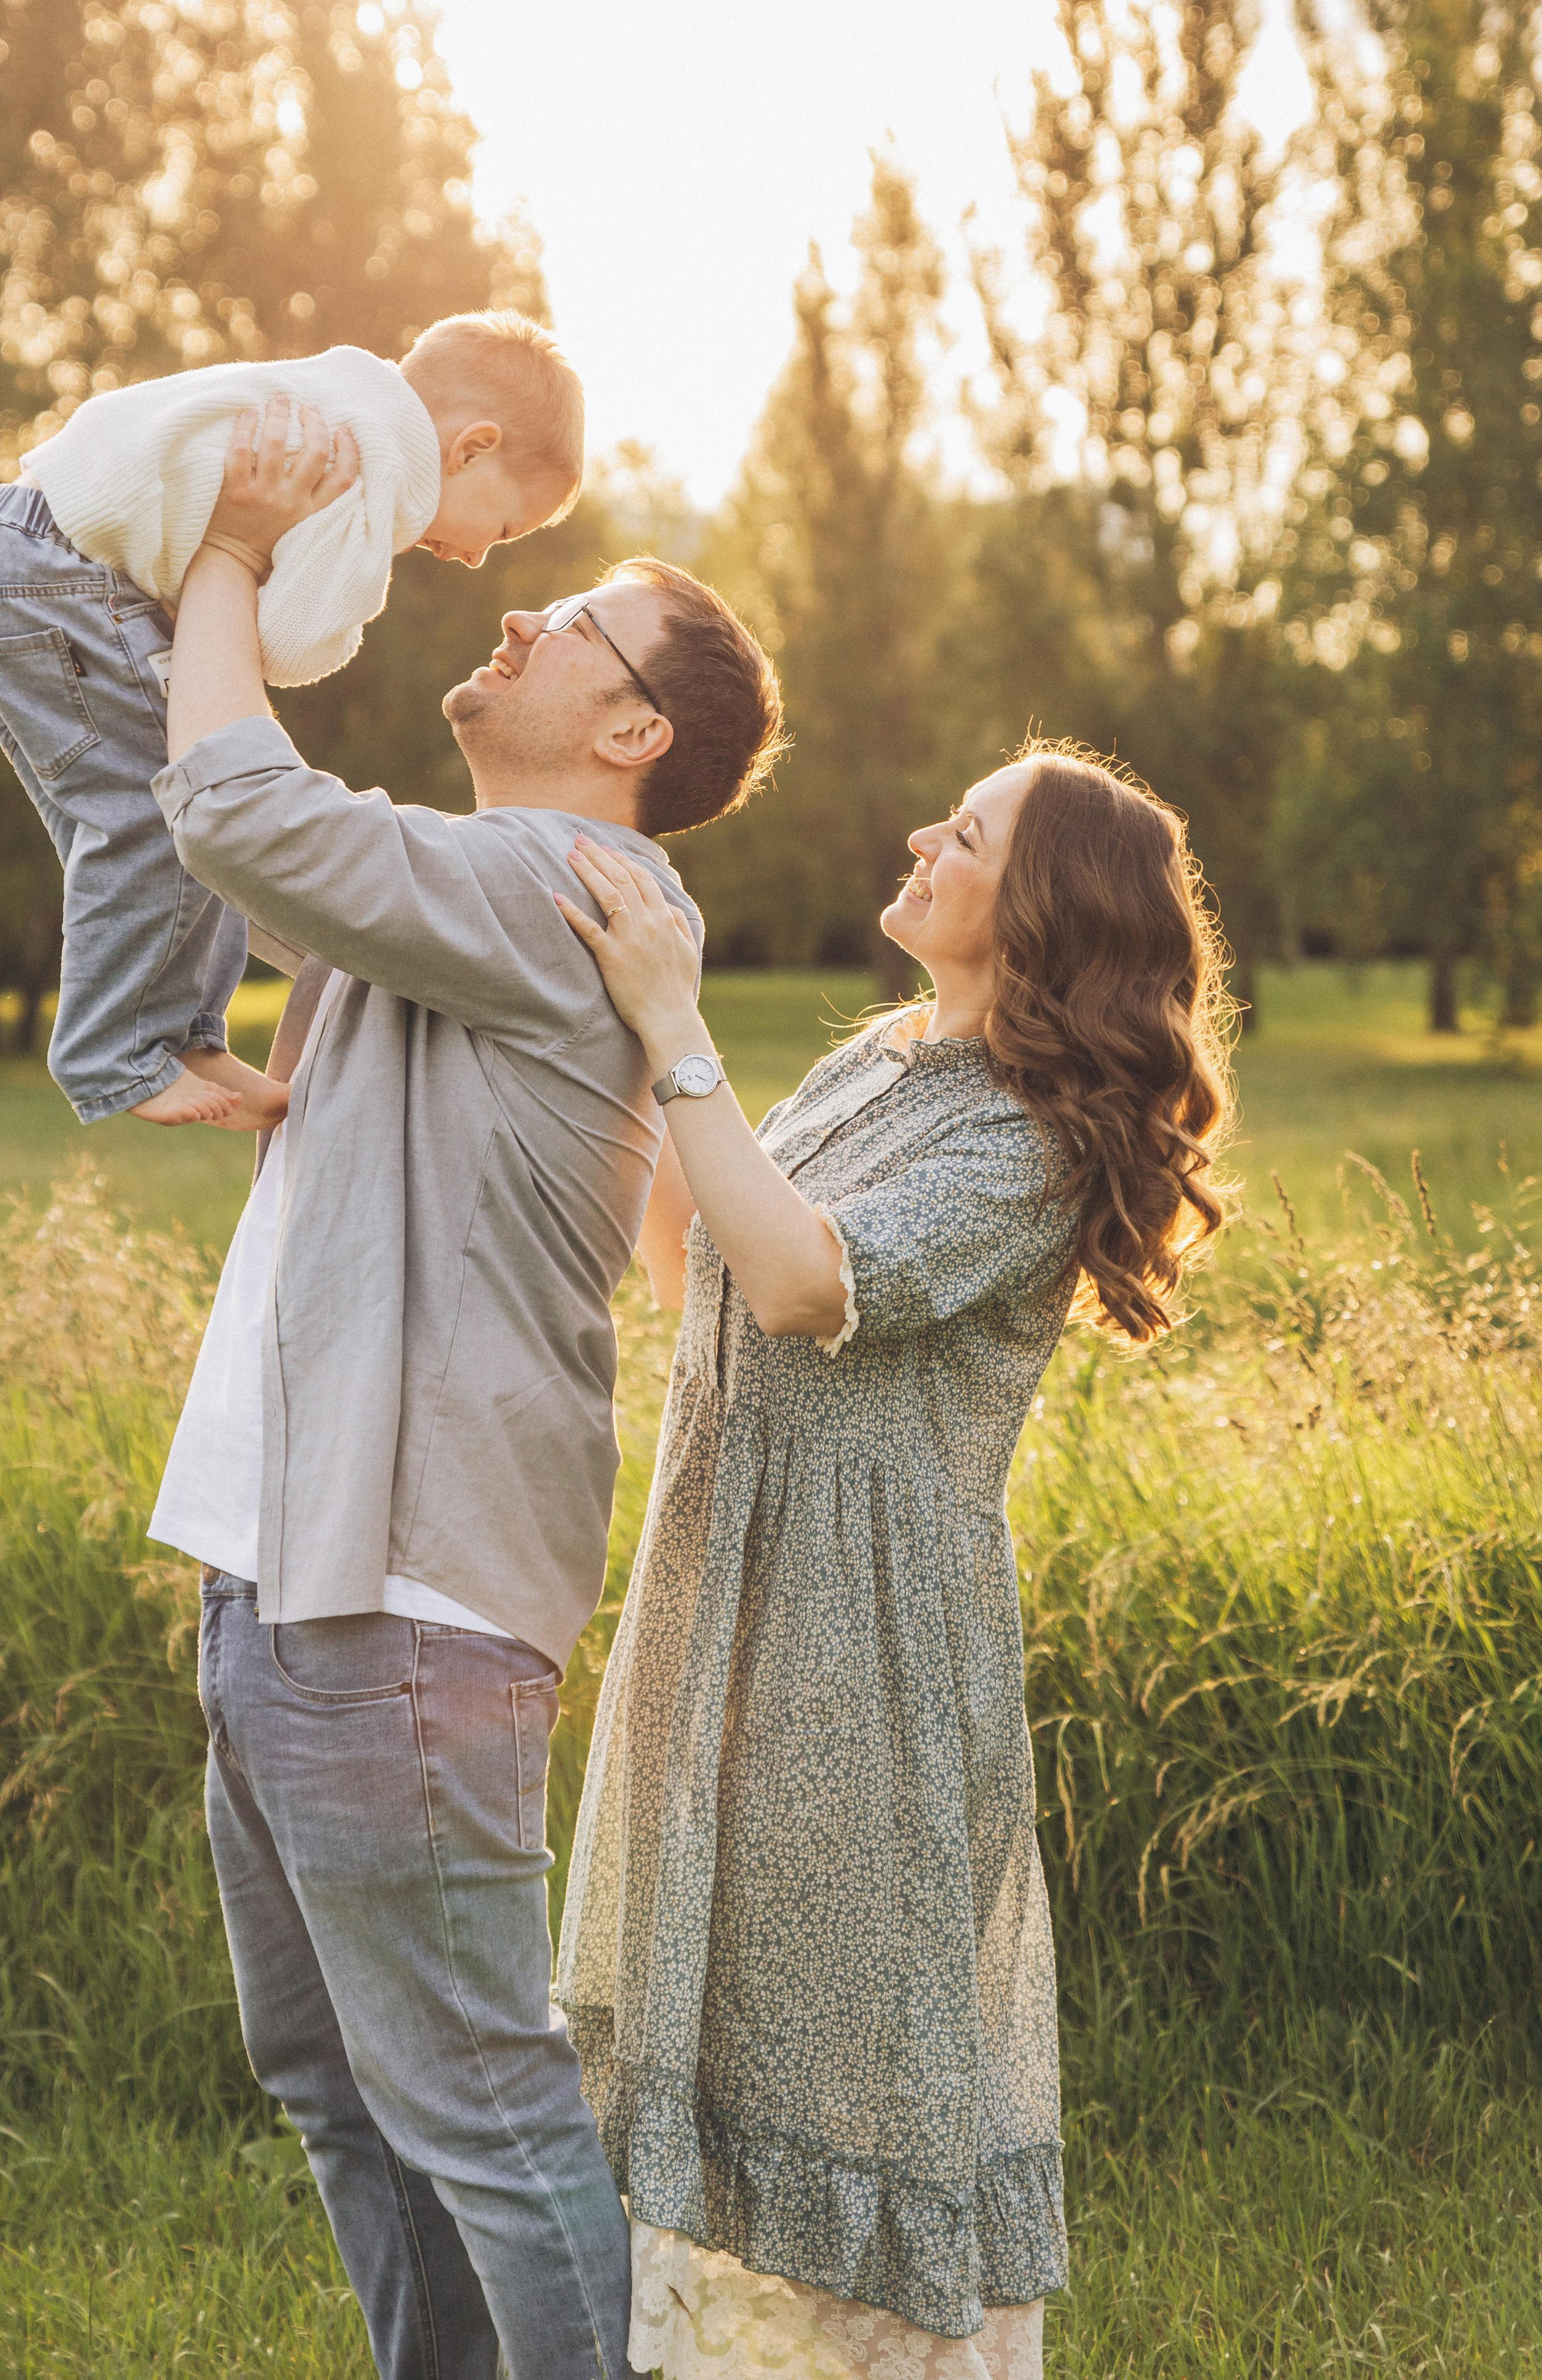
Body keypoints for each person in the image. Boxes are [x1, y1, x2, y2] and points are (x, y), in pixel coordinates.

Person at [143, 424, 786, 2380]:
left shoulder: (568, 883)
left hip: (393, 1617)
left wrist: (220, 551)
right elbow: (246, 850)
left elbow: (242, 819)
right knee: (356, 2103)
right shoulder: (484, 883)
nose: (519, 609)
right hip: (289, 1590)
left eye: (575, 620)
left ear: (631, 736)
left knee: (486, 2122)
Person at [552, 742, 1234, 2380]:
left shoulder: (1032, 1142)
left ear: (1043, 907)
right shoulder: (874, 1064)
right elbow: (691, 1255)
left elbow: (801, 1286)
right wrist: (614, 1035)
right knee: (708, 2011)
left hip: (865, 1651)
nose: (921, 833)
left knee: (855, 2048)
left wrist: (676, 1026)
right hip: (718, 1604)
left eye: (970, 831)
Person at [0, 311, 583, 1134]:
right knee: (169, 810)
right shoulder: (378, 469)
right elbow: (287, 644)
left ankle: (187, 1035)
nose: (478, 557)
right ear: (471, 447)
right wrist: (334, 606)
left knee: (177, 816)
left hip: (16, 550)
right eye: (501, 527)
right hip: (65, 577)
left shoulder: (337, 390)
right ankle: (113, 1056)